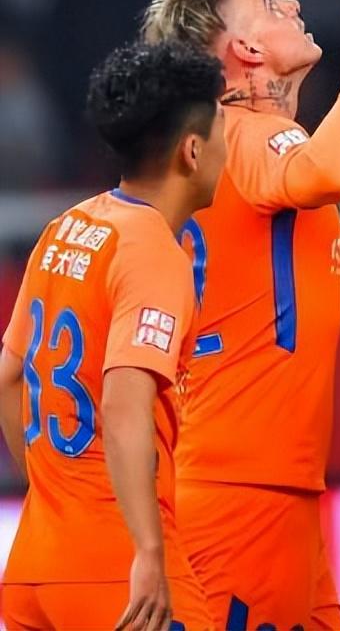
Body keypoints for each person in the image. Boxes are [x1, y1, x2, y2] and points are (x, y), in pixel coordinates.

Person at [141, 0, 340, 628]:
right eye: (270, 3)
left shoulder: (235, 137)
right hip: (245, 494)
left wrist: (242, 10)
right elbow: (326, 171)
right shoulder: (251, 136)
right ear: (247, 52)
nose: (291, 5)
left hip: (267, 484)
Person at [0, 40, 225, 630]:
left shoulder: (66, 226)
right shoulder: (153, 251)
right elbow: (125, 406)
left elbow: (9, 374)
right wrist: (147, 551)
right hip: (115, 565)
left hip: (33, 564)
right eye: (222, 133)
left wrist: (54, 491)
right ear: (192, 150)